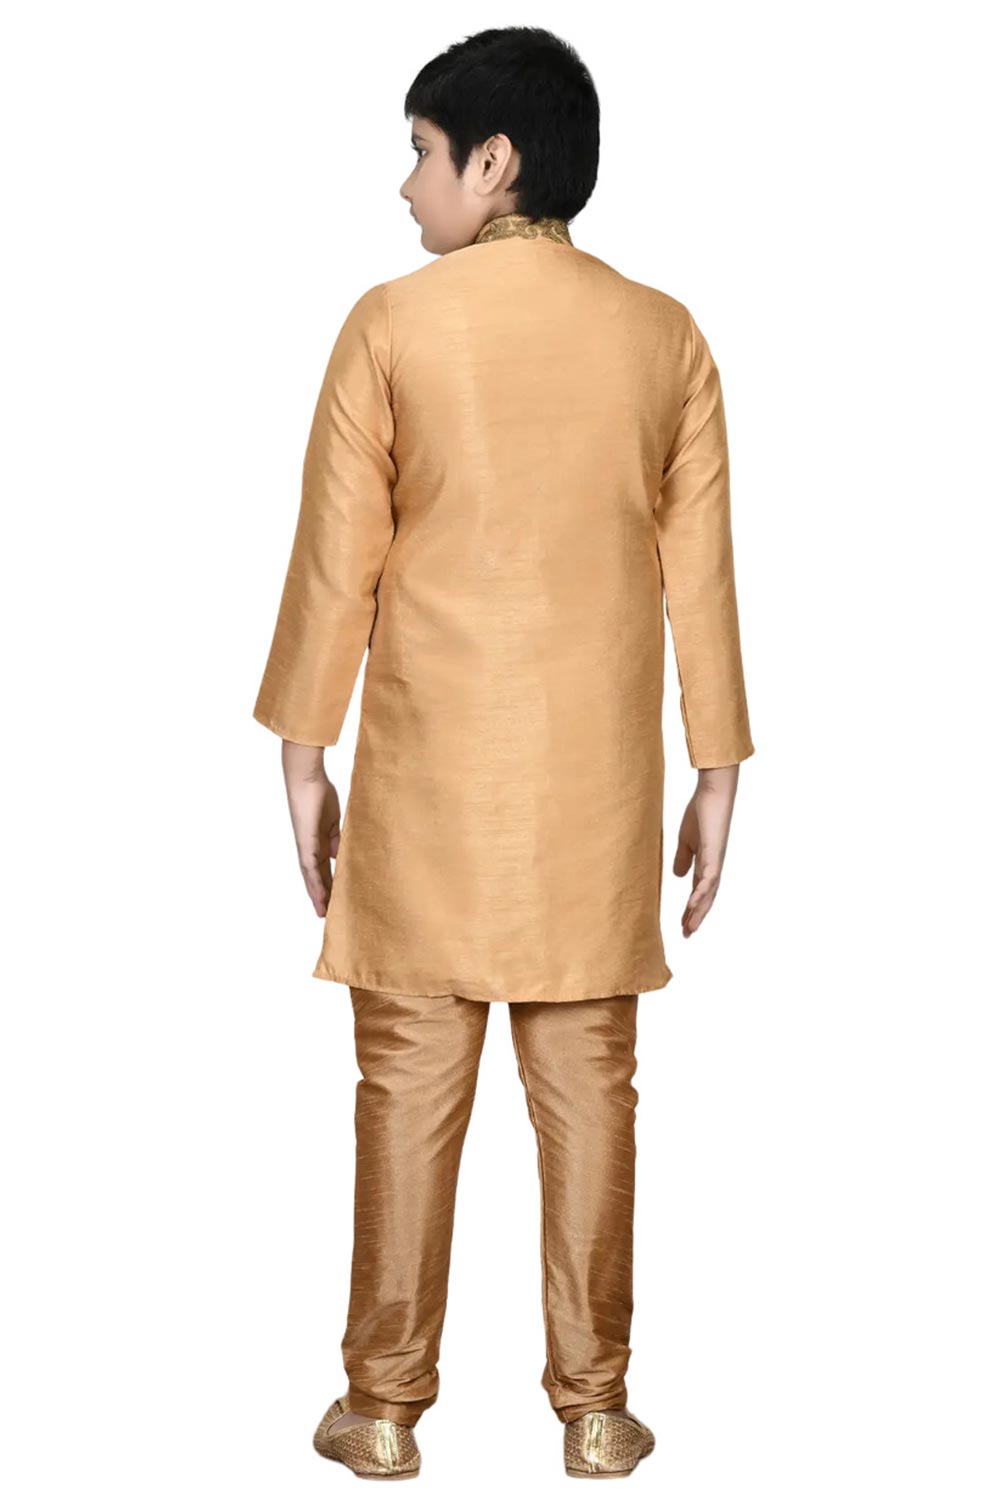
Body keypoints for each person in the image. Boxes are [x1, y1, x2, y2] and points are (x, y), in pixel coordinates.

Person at [253, 25, 754, 1481]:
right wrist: (718, 768)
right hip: (596, 795)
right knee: (592, 1090)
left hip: (425, 787)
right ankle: (595, 1411)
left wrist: (304, 754)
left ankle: (381, 1410)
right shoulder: (665, 336)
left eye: (421, 151)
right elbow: (702, 576)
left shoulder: (389, 325)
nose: (405, 183)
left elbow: (334, 565)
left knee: (406, 1088)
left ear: (494, 160)